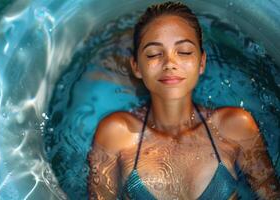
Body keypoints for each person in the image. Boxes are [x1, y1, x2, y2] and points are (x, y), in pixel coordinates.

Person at [87, 1, 280, 200]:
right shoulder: (117, 133)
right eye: (154, 54)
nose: (170, 63)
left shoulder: (236, 126)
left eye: (185, 52)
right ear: (136, 67)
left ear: (202, 62)